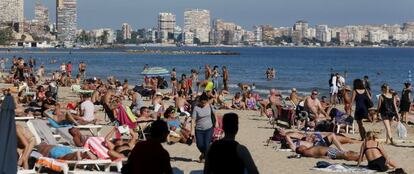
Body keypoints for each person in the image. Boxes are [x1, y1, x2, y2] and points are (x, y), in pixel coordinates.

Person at [191, 93, 218, 162]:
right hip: (199, 129)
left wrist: (216, 122)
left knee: (206, 144)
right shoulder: (196, 108)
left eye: (205, 102)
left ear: (207, 101)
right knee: (199, 145)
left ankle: (207, 158)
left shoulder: (210, 106)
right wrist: (192, 130)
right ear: (200, 101)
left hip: (209, 128)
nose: (203, 104)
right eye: (202, 103)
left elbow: (215, 114)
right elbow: (193, 120)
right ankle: (204, 154)